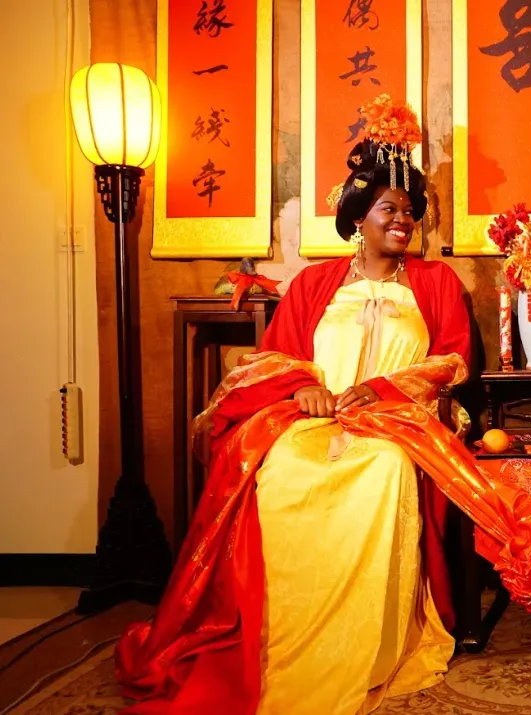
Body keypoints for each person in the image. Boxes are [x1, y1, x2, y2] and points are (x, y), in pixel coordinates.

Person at [115, 95, 472, 715]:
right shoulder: (313, 283)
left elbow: (453, 361)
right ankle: (274, 632)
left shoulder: (435, 282)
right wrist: (302, 386)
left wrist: (384, 390)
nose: (403, 221)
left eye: (410, 212)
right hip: (315, 416)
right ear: (359, 217)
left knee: (382, 472)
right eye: (390, 209)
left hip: (395, 424)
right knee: (277, 469)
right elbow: (275, 358)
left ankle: (368, 641)